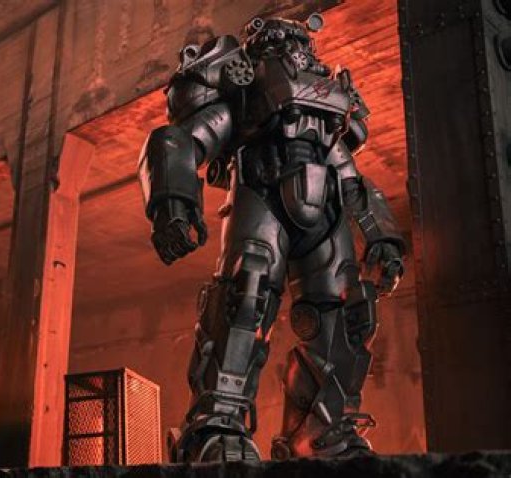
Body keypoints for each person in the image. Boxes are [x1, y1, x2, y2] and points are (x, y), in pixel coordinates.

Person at [137, 12, 405, 462]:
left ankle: (321, 432)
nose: (296, 50)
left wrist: (383, 239)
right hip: (260, 194)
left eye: (301, 43)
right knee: (245, 300)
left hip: (325, 210)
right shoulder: (245, 97)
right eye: (283, 41)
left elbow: (352, 178)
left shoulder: (326, 113)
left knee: (347, 315)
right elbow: (180, 140)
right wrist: (173, 204)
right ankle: (216, 424)